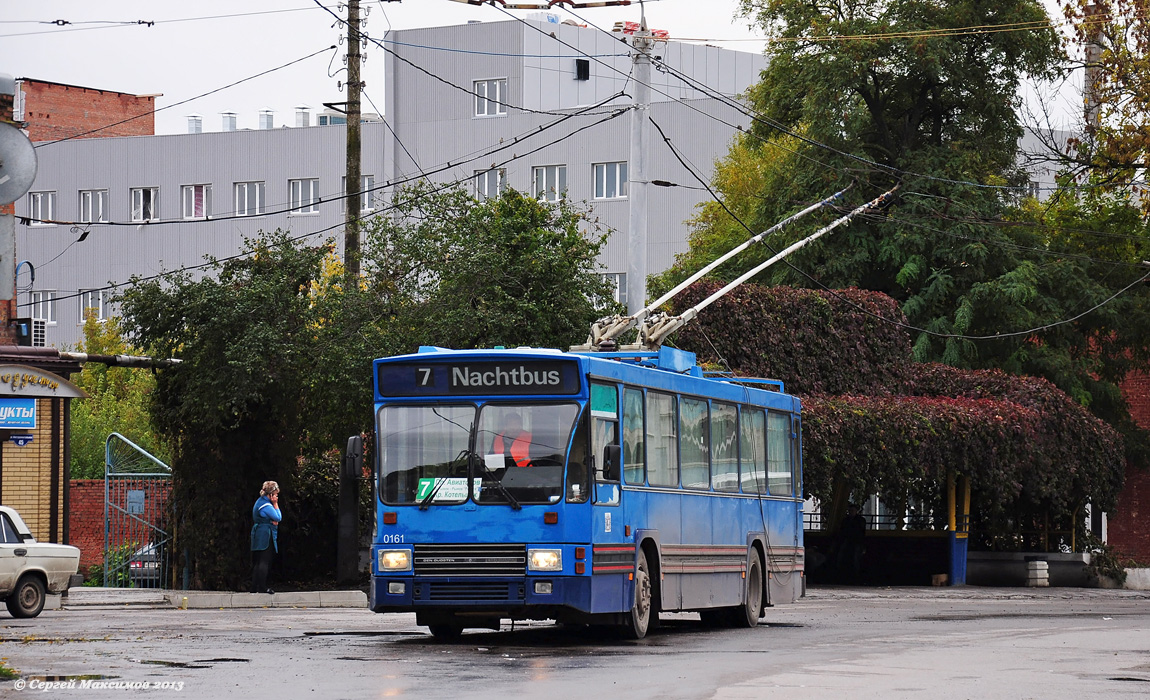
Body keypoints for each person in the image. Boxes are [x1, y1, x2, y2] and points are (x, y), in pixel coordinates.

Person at [250, 480, 281, 594]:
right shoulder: (266, 505)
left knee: (258, 561)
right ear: (271, 494)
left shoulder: (259, 502)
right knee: (264, 560)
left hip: (258, 532)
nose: (277, 497)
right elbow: (278, 517)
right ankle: (262, 587)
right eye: (276, 494)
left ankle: (254, 586)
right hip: (265, 533)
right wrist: (275, 504)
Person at [836, 502, 866, 584]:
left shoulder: (859, 520)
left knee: (855, 559)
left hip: (856, 541)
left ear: (856, 511)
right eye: (850, 511)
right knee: (841, 556)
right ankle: (841, 574)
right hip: (847, 541)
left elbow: (861, 533)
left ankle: (856, 576)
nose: (851, 512)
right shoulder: (846, 520)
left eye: (853, 510)